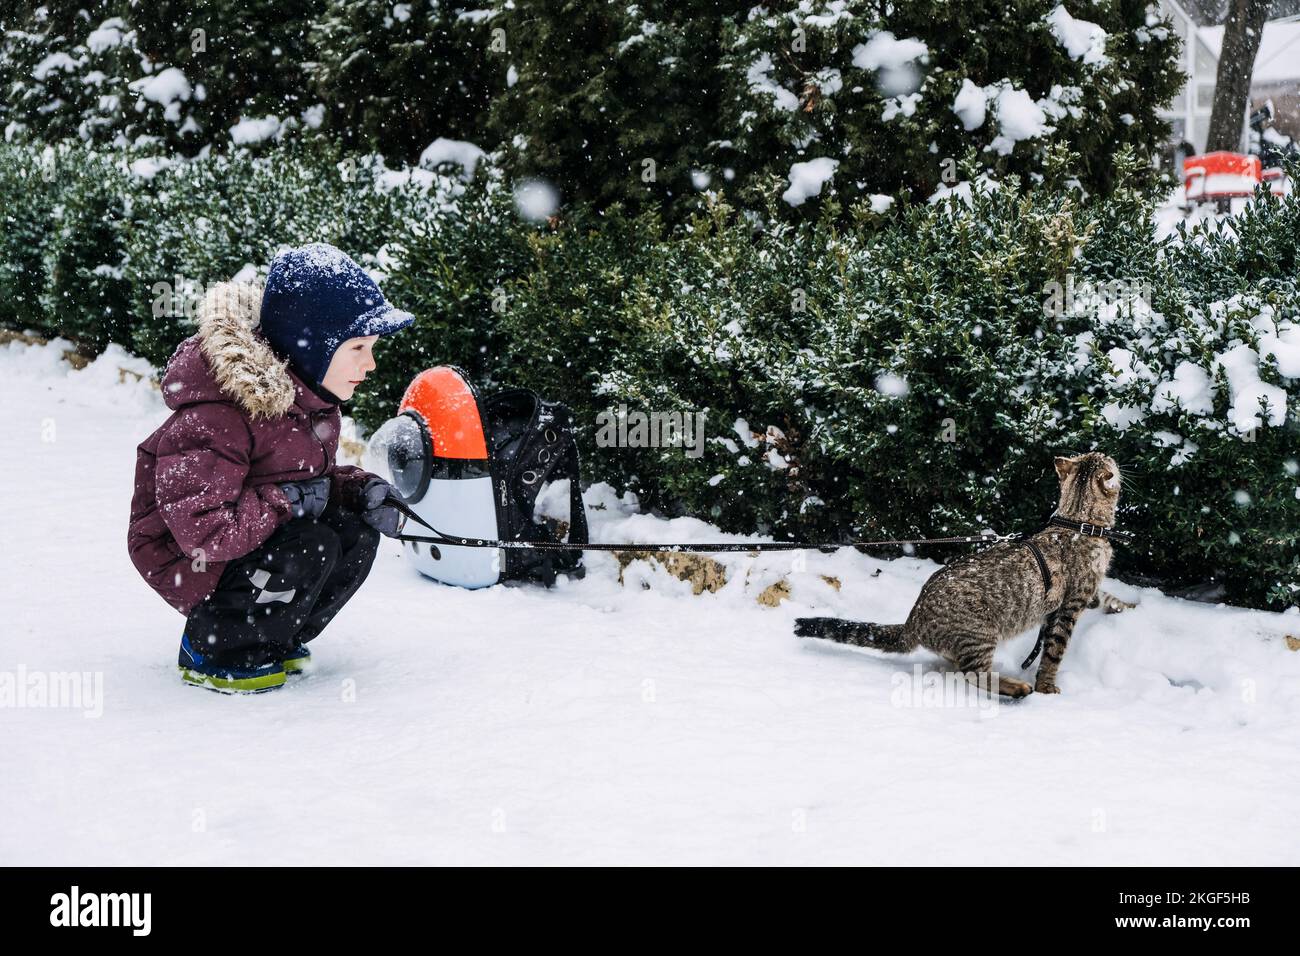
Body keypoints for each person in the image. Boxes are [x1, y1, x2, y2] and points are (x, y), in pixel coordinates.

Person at [127, 243, 413, 693]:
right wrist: (291, 501)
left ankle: (275, 634)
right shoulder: (218, 412)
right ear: (312, 345)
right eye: (358, 346)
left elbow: (303, 482)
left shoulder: (313, 402)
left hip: (252, 535)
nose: (370, 363)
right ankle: (215, 646)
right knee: (309, 542)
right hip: (189, 555)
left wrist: (357, 490)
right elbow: (204, 532)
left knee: (352, 531)